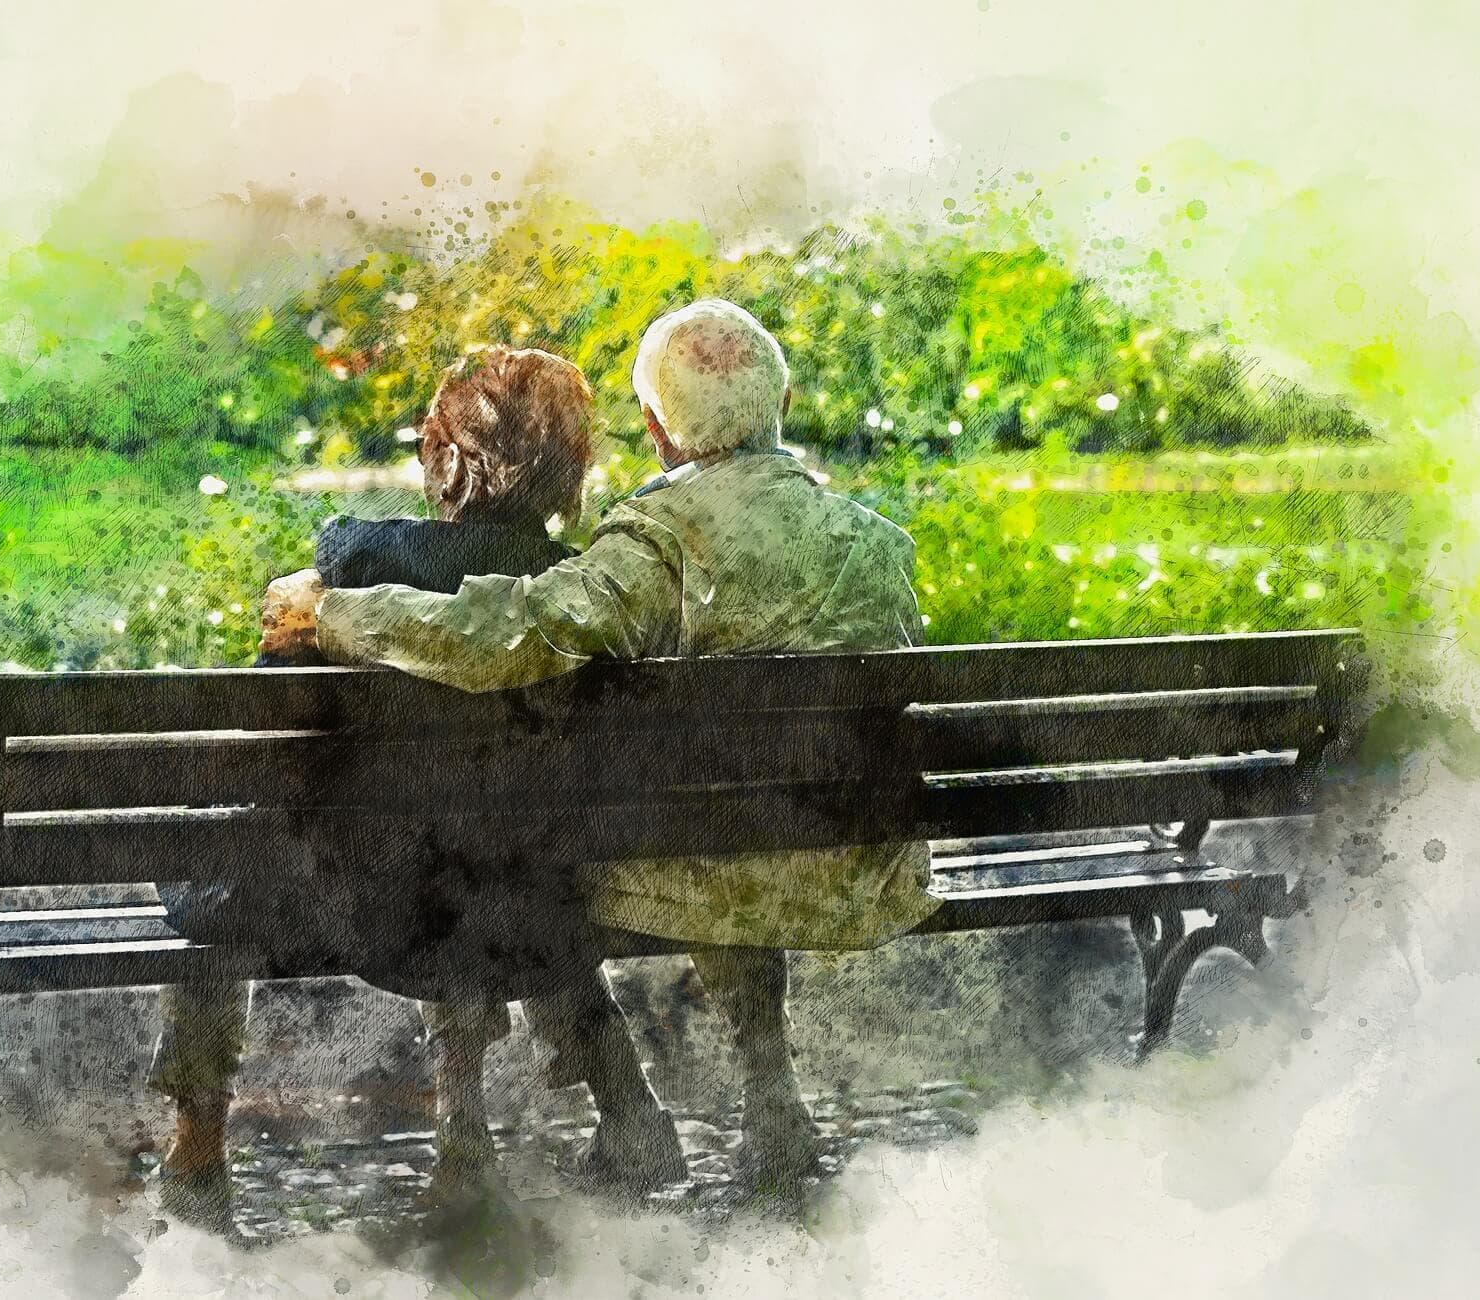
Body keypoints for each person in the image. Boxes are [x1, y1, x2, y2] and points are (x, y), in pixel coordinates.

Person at [262, 298, 942, 1189]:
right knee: (744, 813)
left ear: (658, 430)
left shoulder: (661, 538)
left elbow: (510, 636)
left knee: (527, 842)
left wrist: (341, 614)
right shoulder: (876, 545)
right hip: (861, 871)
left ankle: (564, 1128)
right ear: (783, 401)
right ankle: (771, 1099)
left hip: (715, 869)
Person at [149, 346, 681, 1225]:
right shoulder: (585, 593)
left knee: (218, 871)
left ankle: (197, 1150)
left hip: (370, 914)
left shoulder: (353, 570)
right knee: (515, 861)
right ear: (569, 472)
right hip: (524, 920)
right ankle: (617, 1113)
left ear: (442, 461)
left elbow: (277, 746)